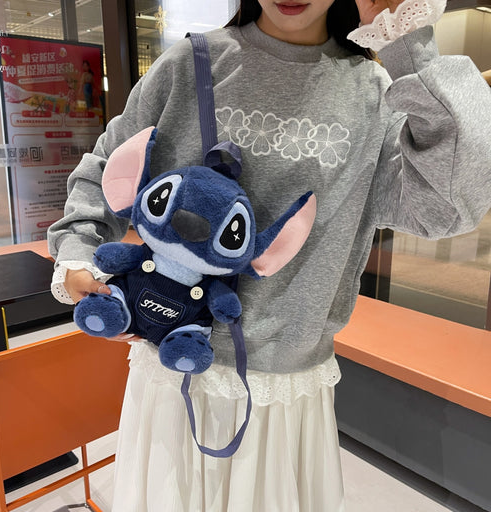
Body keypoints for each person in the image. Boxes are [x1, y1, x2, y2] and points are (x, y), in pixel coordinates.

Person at [47, 0, 491, 510]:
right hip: (172, 368)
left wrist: (406, 42)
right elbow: (107, 167)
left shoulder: (373, 95)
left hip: (284, 389)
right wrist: (77, 251)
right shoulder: (190, 65)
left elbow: (452, 203)